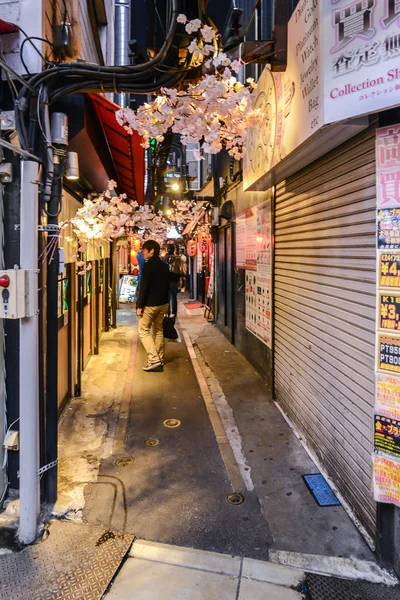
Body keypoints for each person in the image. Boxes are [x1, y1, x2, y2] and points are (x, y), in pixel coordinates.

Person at [136, 240, 170, 372]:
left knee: (143, 330)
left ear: (151, 251)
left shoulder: (148, 266)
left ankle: (153, 359)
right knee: (158, 330)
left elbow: (144, 287)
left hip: (150, 304)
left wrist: (140, 305)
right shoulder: (164, 265)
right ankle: (159, 358)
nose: (143, 252)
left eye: (145, 250)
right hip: (163, 303)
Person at [165, 243, 182, 319]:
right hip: (175, 280)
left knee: (167, 297)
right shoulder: (177, 258)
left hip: (166, 280)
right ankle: (174, 313)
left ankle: (168, 312)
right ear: (174, 250)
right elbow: (179, 270)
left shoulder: (164, 258)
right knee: (174, 297)